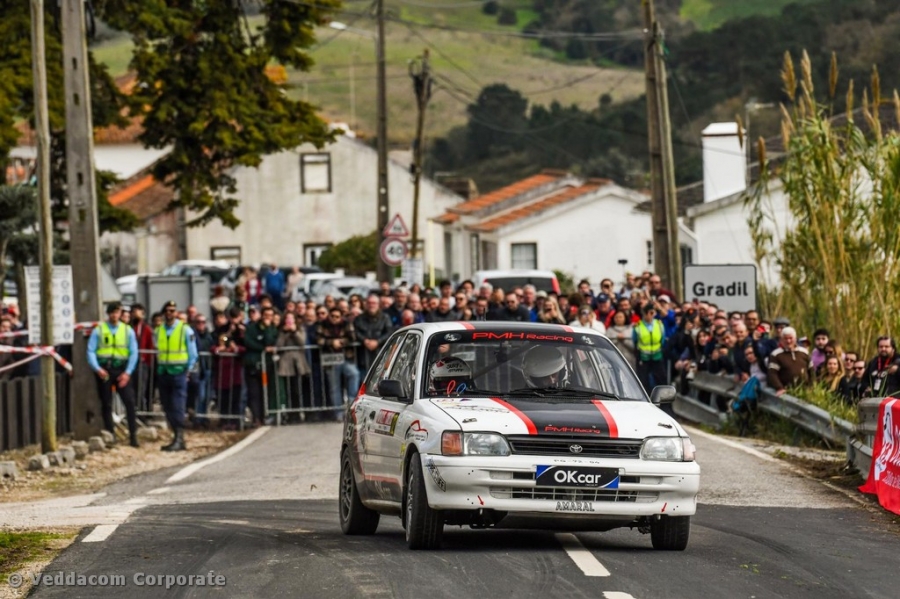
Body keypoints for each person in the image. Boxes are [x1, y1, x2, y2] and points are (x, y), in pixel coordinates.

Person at [87, 301, 140, 447]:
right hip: (105, 370)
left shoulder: (127, 330)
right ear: (108, 314)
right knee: (106, 403)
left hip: (121, 370)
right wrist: (97, 368)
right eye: (112, 312)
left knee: (129, 402)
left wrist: (127, 373)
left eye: (117, 312)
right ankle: (111, 435)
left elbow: (134, 352)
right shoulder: (99, 330)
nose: (115, 315)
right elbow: (91, 351)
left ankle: (133, 435)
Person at [154, 300, 198, 451]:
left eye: (172, 310)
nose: (169, 313)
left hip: (179, 373)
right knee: (167, 406)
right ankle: (176, 437)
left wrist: (188, 371)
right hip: (164, 372)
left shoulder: (185, 329)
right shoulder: (159, 330)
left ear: (176, 312)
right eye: (167, 310)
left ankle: (179, 437)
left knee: (177, 405)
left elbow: (193, 354)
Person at [316, 308, 360, 420]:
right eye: (332, 316)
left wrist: (340, 342)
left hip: (346, 358)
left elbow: (353, 337)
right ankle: (338, 413)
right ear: (329, 316)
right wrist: (331, 342)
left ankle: (351, 404)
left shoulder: (347, 324)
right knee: (334, 388)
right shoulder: (323, 325)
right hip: (331, 359)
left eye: (337, 316)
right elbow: (319, 340)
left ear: (341, 317)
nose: (334, 318)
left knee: (354, 374)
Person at [243, 305, 279, 426]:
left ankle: (266, 415)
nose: (268, 318)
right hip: (254, 365)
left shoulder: (273, 328)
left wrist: (268, 329)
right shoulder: (252, 327)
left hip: (268, 365)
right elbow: (248, 341)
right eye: (266, 316)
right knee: (254, 393)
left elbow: (271, 342)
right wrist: (262, 348)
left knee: (267, 392)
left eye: (270, 316)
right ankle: (256, 417)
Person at [276, 312, 311, 424]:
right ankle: (291, 414)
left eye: (291, 319)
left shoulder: (300, 329)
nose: (289, 321)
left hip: (299, 362)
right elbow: (279, 346)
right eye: (287, 319)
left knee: (298, 389)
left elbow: (302, 343)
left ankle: (301, 413)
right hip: (286, 363)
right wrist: (285, 333)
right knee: (288, 390)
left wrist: (294, 331)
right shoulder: (281, 331)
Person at [766, 326, 812, 396]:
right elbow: (772, 374)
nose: (788, 341)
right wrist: (779, 388)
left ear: (795, 339)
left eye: (790, 338)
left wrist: (812, 386)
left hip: (805, 391)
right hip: (787, 392)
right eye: (785, 339)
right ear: (781, 340)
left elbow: (811, 370)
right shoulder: (776, 354)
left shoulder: (804, 352)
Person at [354, 295, 394, 373]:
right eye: (369, 303)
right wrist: (364, 340)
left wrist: (377, 342)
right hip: (363, 358)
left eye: (374, 303)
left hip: (381, 356)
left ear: (378, 304)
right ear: (366, 304)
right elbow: (356, 332)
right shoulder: (359, 319)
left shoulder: (385, 318)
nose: (371, 305)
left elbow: (389, 332)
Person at [633, 305, 667, 393]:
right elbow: (635, 340)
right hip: (643, 358)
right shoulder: (638, 326)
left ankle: (665, 404)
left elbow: (662, 339)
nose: (650, 315)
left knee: (661, 380)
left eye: (652, 313)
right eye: (649, 313)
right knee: (643, 382)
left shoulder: (659, 324)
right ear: (644, 313)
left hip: (657, 356)